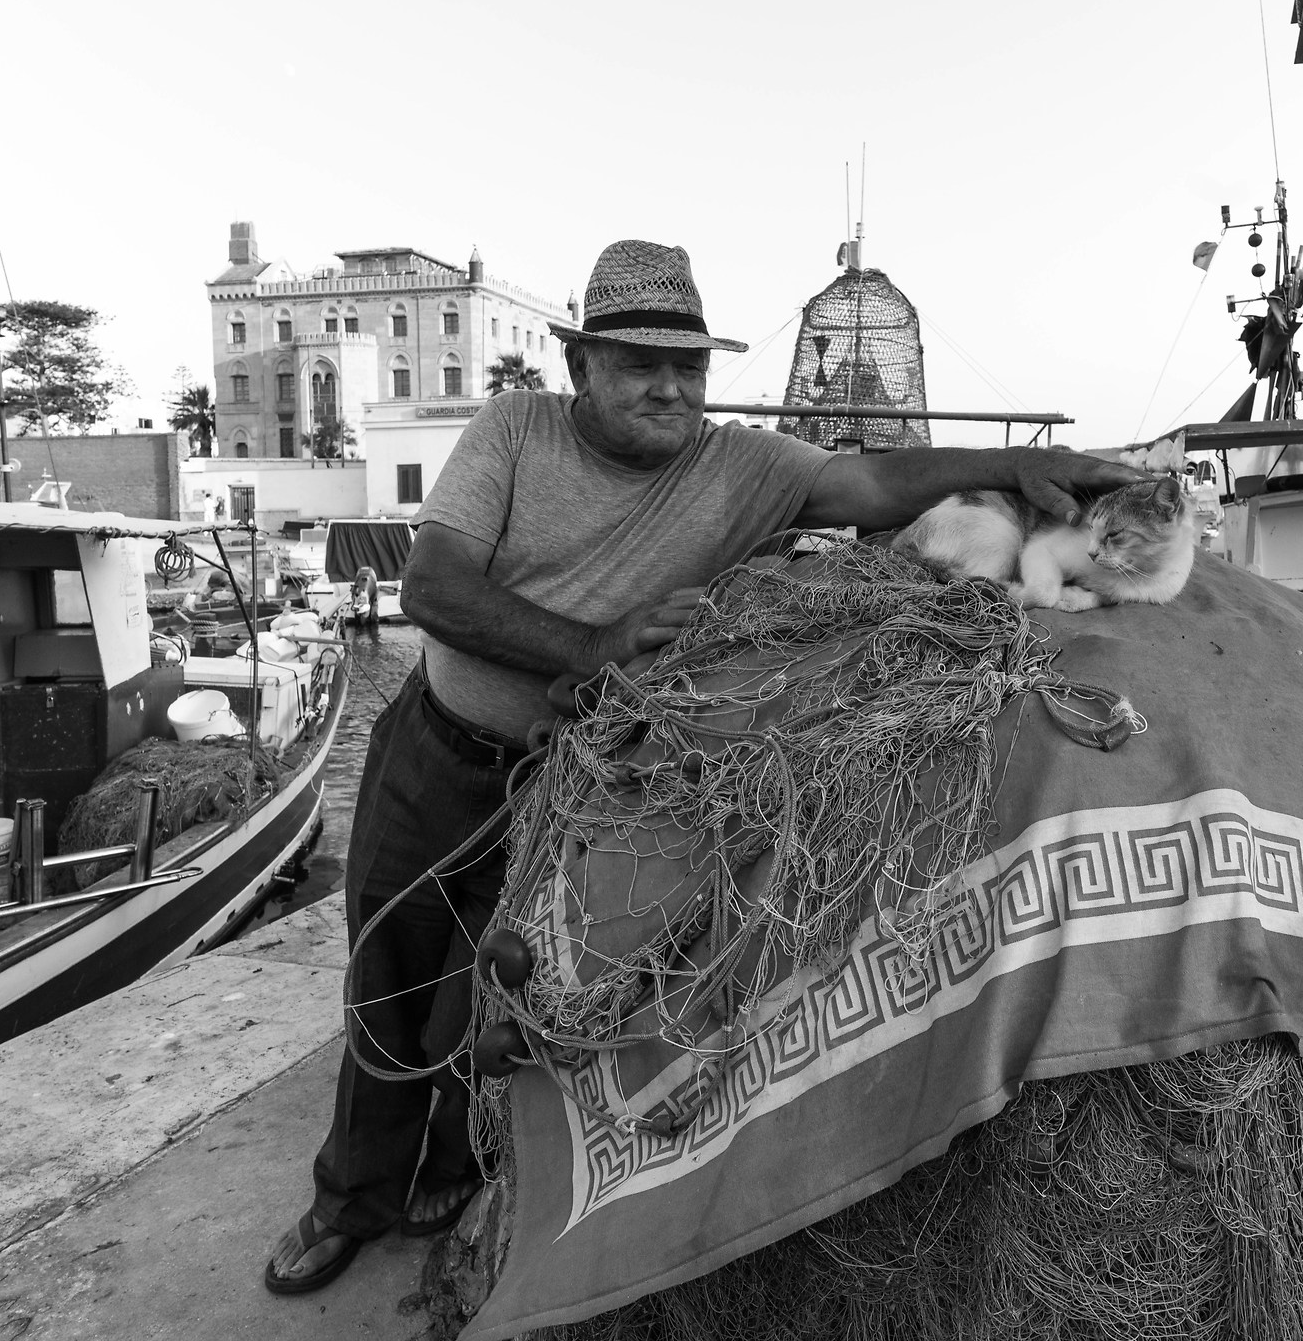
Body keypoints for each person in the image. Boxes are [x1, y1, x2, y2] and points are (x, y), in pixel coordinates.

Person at [265, 239, 1144, 1294]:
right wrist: (593, 649)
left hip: (568, 776)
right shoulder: (514, 430)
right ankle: (351, 1195)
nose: (670, 387)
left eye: (689, 365)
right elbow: (433, 588)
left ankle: (452, 1166)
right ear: (579, 362)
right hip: (440, 746)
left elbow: (869, 480)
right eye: (639, 363)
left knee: (497, 990)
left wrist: (1011, 469)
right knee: (388, 969)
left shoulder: (741, 463)